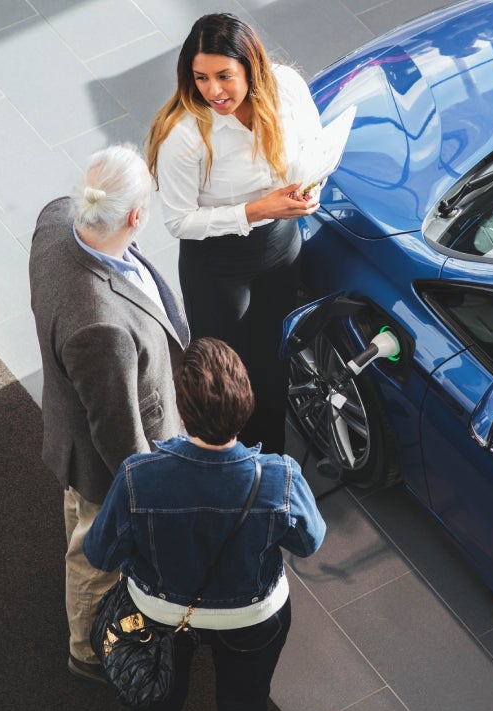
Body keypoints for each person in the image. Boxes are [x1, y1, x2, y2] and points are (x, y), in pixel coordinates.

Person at [84, 337, 326, 711]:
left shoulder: (138, 477)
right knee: (243, 704)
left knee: (156, 703)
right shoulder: (281, 478)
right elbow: (309, 542)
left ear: (181, 408)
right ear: (246, 401)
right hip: (253, 614)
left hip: (159, 612)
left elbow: (100, 553)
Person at [29, 144, 190, 684]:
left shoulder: (55, 219)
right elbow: (117, 432)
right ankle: (88, 650)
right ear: (136, 217)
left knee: (79, 521)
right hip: (101, 457)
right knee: (96, 553)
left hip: (69, 415)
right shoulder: (101, 328)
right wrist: (148, 496)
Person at [146, 12, 323, 455]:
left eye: (224, 75)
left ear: (251, 67)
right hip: (217, 265)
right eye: (201, 78)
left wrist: (312, 186)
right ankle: (229, 462)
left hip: (281, 245)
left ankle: (274, 460)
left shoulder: (287, 90)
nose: (213, 91)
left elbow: (314, 146)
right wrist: (257, 208)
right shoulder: (184, 135)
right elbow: (179, 221)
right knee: (225, 379)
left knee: (273, 364)